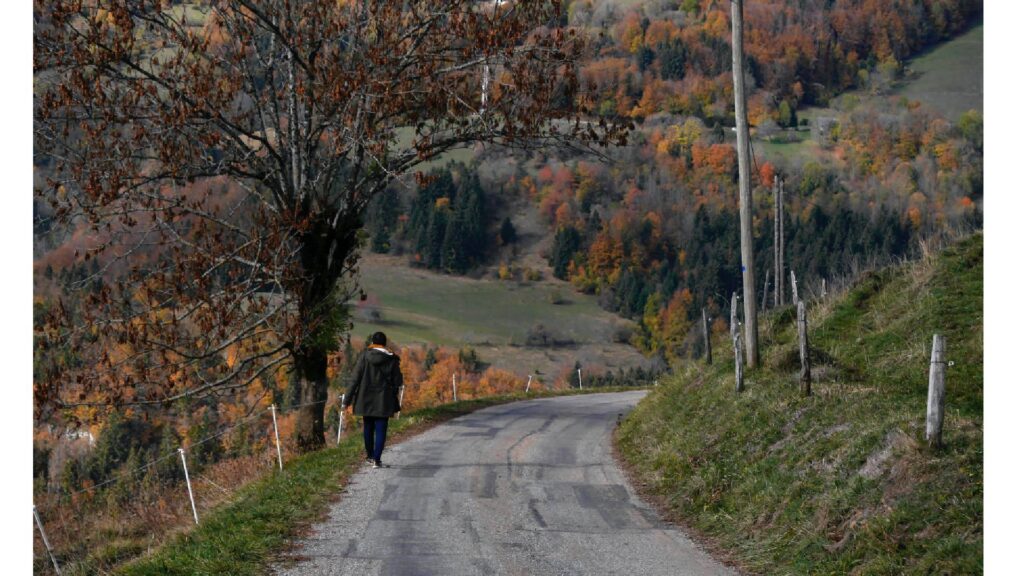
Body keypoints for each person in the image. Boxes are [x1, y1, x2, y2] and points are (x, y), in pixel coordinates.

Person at [343, 331, 403, 468]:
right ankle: (377, 460)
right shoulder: (392, 359)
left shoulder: (364, 356)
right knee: (381, 430)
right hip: (384, 400)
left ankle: (370, 456)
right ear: (384, 343)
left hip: (365, 399)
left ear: (372, 342)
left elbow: (354, 379)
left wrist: (347, 401)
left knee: (368, 428)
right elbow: (398, 381)